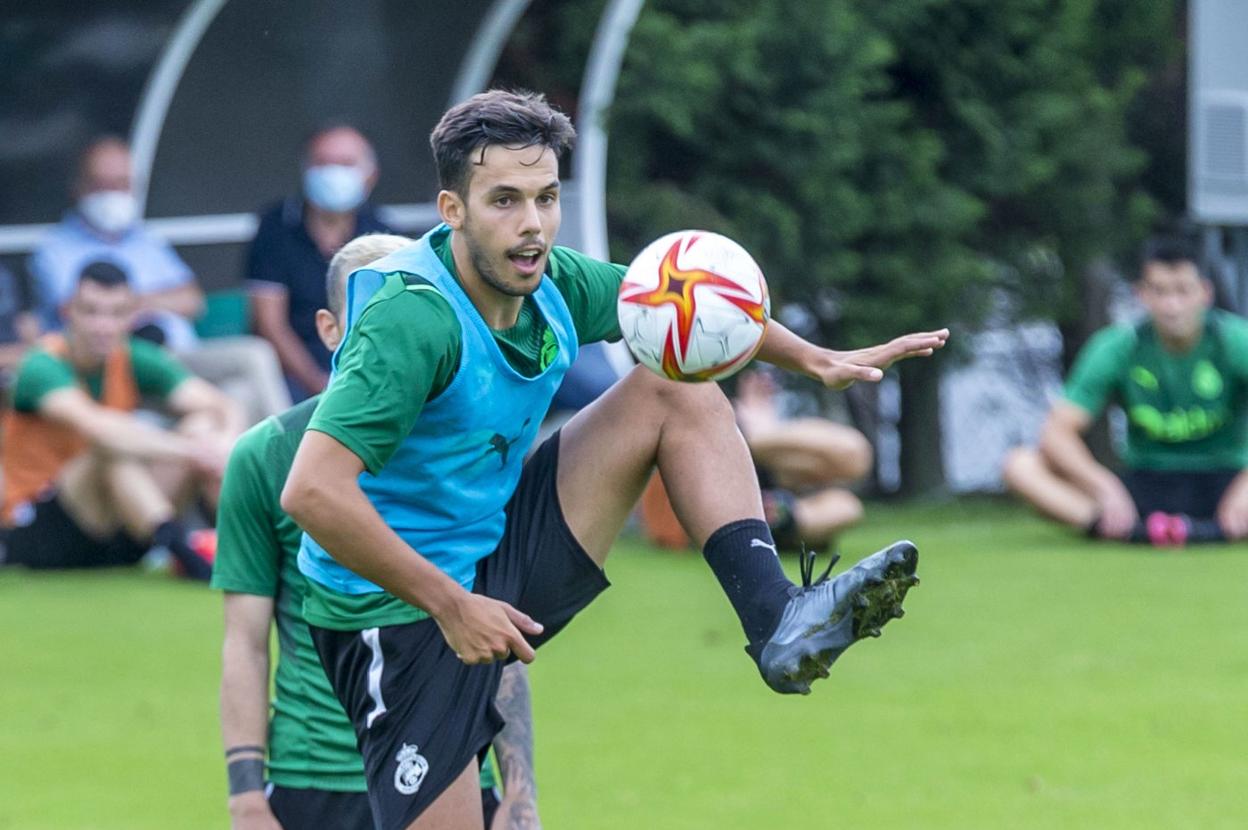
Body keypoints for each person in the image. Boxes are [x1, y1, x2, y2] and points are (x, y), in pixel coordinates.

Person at [281, 89, 945, 830]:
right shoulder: (410, 319)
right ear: (452, 209)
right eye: (503, 200)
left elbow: (691, 308)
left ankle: (777, 618)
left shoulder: (552, 278)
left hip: (496, 550)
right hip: (394, 614)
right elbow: (311, 493)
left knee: (671, 380)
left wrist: (814, 359)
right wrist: (450, 604)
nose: (531, 225)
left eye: (546, 197)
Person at [214, 233, 539, 830]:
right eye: (374, 319)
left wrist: (520, 793)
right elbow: (245, 640)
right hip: (317, 778)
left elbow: (500, 621)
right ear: (331, 329)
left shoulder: (479, 452)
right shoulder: (266, 456)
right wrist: (245, 795)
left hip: (452, 764)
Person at [0, 260, 242, 578]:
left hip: (118, 530)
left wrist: (222, 443)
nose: (103, 325)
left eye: (116, 313)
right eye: (91, 311)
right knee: (110, 448)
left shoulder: (133, 356)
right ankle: (187, 556)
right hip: (37, 529)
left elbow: (221, 405)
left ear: (132, 316)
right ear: (67, 311)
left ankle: (243, 547)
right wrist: (194, 451)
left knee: (202, 425)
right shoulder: (41, 365)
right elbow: (98, 428)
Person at [1002, 236, 1248, 546]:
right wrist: (1103, 486)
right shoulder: (1117, 346)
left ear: (1205, 293)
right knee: (1020, 465)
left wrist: (1246, 487)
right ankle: (1130, 528)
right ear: (1141, 294)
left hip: (1226, 478)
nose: (1172, 306)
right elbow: (1056, 433)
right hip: (1145, 483)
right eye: (1159, 291)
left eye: (1183, 291)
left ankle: (1214, 526)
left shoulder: (1236, 340)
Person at [28, 136, 290, 423]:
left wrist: (138, 303)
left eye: (122, 184)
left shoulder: (144, 240)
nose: (114, 194)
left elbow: (192, 300)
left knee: (243, 384)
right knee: (238, 386)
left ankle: (289, 458)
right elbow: (80, 313)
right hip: (123, 364)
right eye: (103, 184)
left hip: (181, 355)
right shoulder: (55, 250)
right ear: (79, 187)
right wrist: (147, 304)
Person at [246, 125, 392, 401]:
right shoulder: (275, 227)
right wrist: (318, 384)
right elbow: (269, 324)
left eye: (346, 164)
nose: (334, 173)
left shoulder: (381, 231)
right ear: (306, 171)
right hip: (291, 373)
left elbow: (388, 322)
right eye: (323, 163)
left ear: (371, 176)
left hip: (361, 370)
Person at [734, 368, 874, 551]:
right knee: (854, 453)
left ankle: (776, 518)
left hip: (767, 489)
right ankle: (753, 436)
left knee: (848, 507)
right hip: (721, 471)